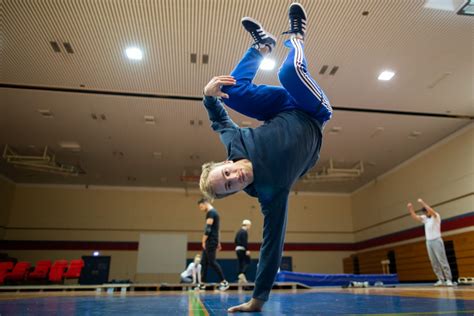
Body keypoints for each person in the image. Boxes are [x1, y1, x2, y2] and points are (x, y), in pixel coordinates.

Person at [199, 3, 332, 312]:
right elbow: (272, 244)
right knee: (289, 71)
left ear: (226, 163)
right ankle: (297, 35)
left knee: (231, 92)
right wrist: (258, 300)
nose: (235, 178)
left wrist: (208, 95)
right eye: (230, 186)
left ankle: (262, 46)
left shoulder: (235, 144)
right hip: (314, 113)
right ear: (235, 192)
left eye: (227, 174)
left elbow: (220, 120)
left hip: (283, 108)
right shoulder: (270, 193)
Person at [407, 198, 453, 286]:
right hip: (429, 242)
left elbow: (431, 210)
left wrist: (422, 202)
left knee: (442, 260)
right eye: (424, 212)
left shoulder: (436, 216)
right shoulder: (425, 219)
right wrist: (410, 209)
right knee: (434, 262)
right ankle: (440, 279)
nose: (425, 213)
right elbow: (415, 217)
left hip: (437, 240)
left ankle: (448, 279)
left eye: (426, 211)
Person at [197, 198, 229, 291]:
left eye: (201, 206)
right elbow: (217, 229)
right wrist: (218, 242)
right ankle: (202, 284)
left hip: (210, 241)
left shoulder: (211, 213)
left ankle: (224, 282)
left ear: (205, 203)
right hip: (212, 240)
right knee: (204, 262)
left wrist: (203, 240)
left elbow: (208, 228)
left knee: (212, 262)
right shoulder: (215, 213)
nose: (201, 209)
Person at [235, 219, 252, 283]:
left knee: (240, 263)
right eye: (250, 225)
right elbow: (245, 242)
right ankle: (242, 273)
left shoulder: (238, 231)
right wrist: (247, 250)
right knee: (248, 261)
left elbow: (235, 240)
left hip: (237, 249)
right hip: (242, 249)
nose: (250, 227)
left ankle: (240, 276)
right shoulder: (244, 232)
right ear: (247, 225)